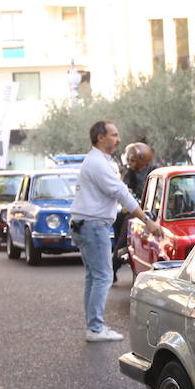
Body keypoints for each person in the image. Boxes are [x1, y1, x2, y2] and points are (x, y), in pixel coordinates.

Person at [71, 121, 164, 342]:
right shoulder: (97, 163)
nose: (118, 139)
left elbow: (118, 191)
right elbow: (120, 192)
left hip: (86, 224)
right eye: (114, 135)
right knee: (102, 276)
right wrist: (147, 221)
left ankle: (93, 326)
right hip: (93, 226)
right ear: (100, 137)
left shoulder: (100, 161)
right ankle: (95, 328)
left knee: (94, 277)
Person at [113, 142, 155, 276]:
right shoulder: (129, 173)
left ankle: (114, 264)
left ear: (142, 159)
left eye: (132, 160)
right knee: (118, 219)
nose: (129, 162)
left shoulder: (154, 171)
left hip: (150, 211)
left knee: (126, 227)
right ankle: (116, 260)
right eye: (129, 159)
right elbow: (124, 189)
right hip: (134, 209)